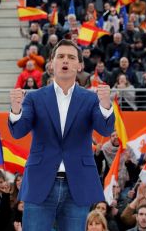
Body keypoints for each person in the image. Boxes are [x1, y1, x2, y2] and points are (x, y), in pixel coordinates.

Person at [8, 39, 115, 230]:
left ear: (80, 65)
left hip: (78, 183)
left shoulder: (91, 99)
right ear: (51, 63)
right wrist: (16, 110)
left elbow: (105, 129)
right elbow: (18, 131)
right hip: (40, 182)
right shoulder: (34, 97)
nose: (65, 61)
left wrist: (106, 106)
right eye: (61, 56)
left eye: (71, 57)